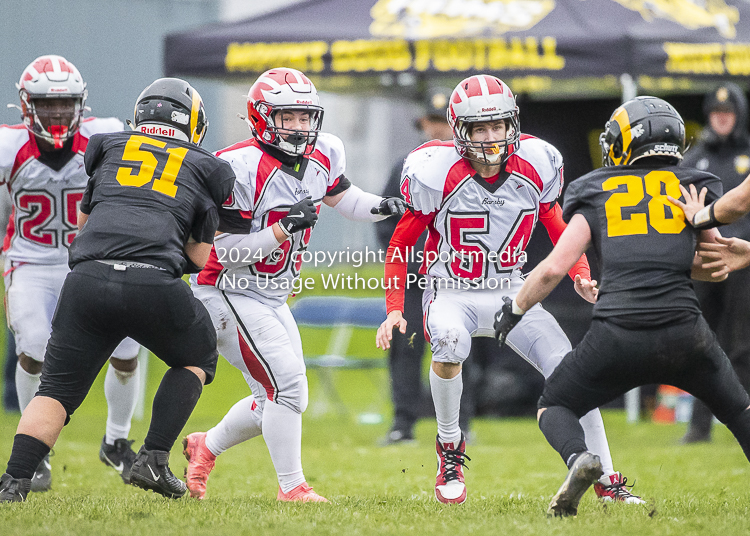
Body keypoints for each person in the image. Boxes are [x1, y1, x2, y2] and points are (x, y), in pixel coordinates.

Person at [375, 74, 640, 505]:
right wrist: (393, 308)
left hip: (511, 292)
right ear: (460, 130)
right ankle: (449, 449)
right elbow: (401, 242)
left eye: (497, 125)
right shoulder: (435, 171)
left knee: (572, 372)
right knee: (448, 343)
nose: (491, 136)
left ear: (511, 123)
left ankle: (609, 482)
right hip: (451, 290)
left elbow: (560, 225)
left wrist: (581, 271)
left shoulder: (536, 163)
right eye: (480, 128)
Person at [494, 96, 750, 517]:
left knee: (553, 405)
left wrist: (515, 310)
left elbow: (554, 267)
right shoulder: (694, 185)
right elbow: (712, 267)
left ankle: (580, 459)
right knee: (740, 410)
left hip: (618, 334)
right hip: (685, 332)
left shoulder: (596, 187)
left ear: (623, 142)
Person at [0, 77, 235, 503]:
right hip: (152, 283)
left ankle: (14, 482)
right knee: (198, 356)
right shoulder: (208, 167)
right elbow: (199, 258)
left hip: (86, 280)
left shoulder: (108, 148)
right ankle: (154, 457)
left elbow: (84, 230)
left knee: (55, 390)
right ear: (194, 125)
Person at [182, 67, 407, 502]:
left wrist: (385, 206)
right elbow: (220, 252)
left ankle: (204, 446)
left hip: (270, 294)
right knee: (284, 386)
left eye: (306, 117)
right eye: (288, 117)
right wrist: (283, 229)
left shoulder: (324, 152)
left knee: (285, 395)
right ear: (261, 116)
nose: (300, 127)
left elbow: (344, 198)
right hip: (226, 290)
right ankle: (293, 488)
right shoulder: (237, 167)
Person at [0, 55, 141, 491]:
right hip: (32, 260)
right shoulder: (8, 148)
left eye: (64, 103)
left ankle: (116, 441)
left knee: (128, 346)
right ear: (27, 106)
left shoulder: (105, 136)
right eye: (47, 103)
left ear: (81, 103)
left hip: (91, 259)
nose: (57, 112)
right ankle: (36, 452)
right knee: (35, 350)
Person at [376, 86, 461, 445]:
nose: (439, 128)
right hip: (413, 278)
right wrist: (408, 265)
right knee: (405, 346)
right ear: (423, 123)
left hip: (457, 279)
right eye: (433, 120)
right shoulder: (406, 167)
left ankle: (462, 422)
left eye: (445, 121)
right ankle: (403, 423)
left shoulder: (469, 167)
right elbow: (386, 222)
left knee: (457, 347)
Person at [679, 83, 750, 443]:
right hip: (706, 259)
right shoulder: (696, 158)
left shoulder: (747, 154)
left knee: (742, 345)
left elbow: (738, 205)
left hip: (745, 261)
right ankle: (698, 427)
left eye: (729, 113)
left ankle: (742, 422)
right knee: (700, 342)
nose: (722, 119)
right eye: (716, 113)